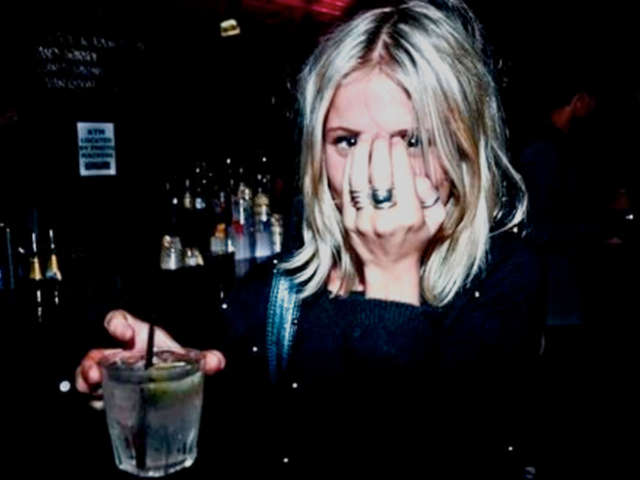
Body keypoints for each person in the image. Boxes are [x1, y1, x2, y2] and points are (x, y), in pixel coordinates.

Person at [76, 1, 543, 477]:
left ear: (462, 149)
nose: (375, 173)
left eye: (413, 140)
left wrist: (390, 277)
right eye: (348, 141)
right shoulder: (278, 289)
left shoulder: (503, 281)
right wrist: (172, 382)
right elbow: (266, 437)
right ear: (317, 154)